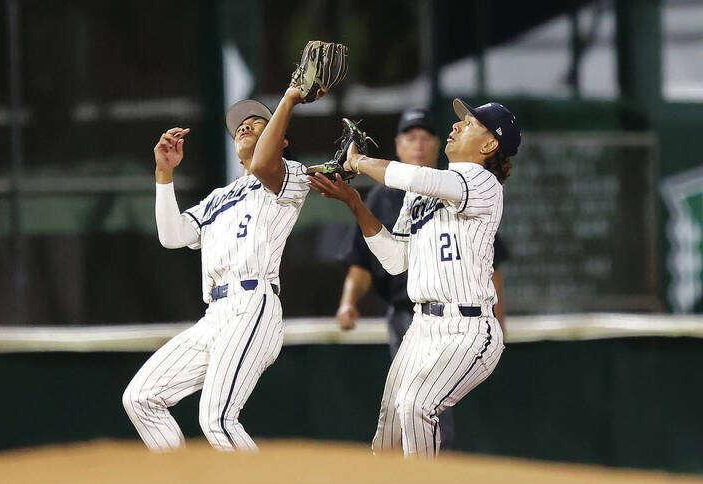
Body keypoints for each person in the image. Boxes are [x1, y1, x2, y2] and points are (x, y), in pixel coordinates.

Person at [309, 98, 521, 458]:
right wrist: (356, 205)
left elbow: (415, 175)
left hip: (466, 328)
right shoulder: (421, 195)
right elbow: (396, 260)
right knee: (388, 435)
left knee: (416, 406)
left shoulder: (483, 182)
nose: (455, 126)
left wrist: (358, 161)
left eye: (468, 124)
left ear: (489, 145)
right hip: (421, 328)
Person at [123, 87, 312, 452]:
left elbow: (262, 165)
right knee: (141, 397)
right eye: (240, 125)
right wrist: (164, 174)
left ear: (280, 140)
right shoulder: (218, 198)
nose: (244, 126)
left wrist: (288, 100)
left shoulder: (290, 175)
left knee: (217, 419)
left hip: (253, 304)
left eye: (258, 123)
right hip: (215, 315)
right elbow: (172, 236)